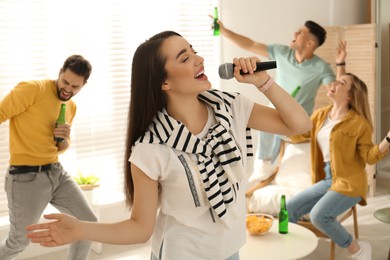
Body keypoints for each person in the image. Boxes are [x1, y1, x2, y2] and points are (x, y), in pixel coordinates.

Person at [25, 31, 311, 260]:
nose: (198, 59)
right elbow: (140, 227)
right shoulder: (150, 149)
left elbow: (300, 125)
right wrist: (81, 229)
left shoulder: (232, 107)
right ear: (164, 82)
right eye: (185, 58)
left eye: (194, 50)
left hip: (230, 249)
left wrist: (263, 82)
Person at [286, 41, 390, 260]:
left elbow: (370, 157)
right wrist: (283, 123)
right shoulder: (321, 115)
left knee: (318, 216)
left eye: (340, 83)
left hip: (350, 182)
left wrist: (388, 139)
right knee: (290, 208)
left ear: (350, 96)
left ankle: (357, 248)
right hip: (328, 179)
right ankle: (288, 251)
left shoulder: (359, 123)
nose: (333, 83)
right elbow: (300, 133)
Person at [0, 55, 98, 260]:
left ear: (83, 85)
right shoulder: (32, 89)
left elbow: (59, 148)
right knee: (18, 242)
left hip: (56, 172)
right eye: (65, 82)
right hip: (25, 178)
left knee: (88, 224)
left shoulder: (71, 107)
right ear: (60, 72)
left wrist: (63, 139)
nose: (68, 89)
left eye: (75, 86)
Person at [217, 19, 336, 181]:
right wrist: (224, 31)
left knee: (277, 127)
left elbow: (336, 89)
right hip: (276, 117)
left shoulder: (321, 67)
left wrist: (341, 64)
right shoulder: (281, 53)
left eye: (300, 32)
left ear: (310, 43)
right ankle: (265, 163)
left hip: (298, 123)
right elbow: (250, 44)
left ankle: (266, 163)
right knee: (268, 111)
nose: (295, 33)